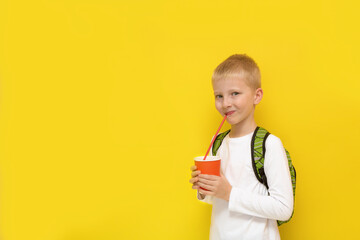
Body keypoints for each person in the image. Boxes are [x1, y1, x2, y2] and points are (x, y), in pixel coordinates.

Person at [189, 54, 293, 240]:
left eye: (234, 93)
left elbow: (283, 208)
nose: (226, 103)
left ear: (257, 96)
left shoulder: (269, 144)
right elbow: (219, 199)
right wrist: (205, 190)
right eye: (219, 96)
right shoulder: (218, 142)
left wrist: (229, 193)